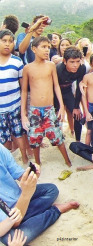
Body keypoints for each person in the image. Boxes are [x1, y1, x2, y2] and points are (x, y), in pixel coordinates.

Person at [0, 143, 79, 246]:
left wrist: (32, 174)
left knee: (51, 190)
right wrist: (25, 196)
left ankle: (29, 216)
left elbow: (19, 175)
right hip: (6, 218)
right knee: (13, 239)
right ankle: (55, 211)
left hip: (18, 197)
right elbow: (14, 222)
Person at [21, 36, 71, 167]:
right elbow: (25, 91)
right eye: (43, 47)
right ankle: (37, 163)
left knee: (57, 136)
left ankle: (67, 161)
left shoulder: (50, 66)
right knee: (35, 138)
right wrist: (23, 113)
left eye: (48, 47)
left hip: (49, 108)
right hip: (34, 110)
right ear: (33, 49)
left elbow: (56, 86)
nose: (47, 50)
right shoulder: (28, 68)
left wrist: (60, 106)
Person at [0, 29, 28, 164]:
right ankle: (8, 162)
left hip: (15, 106)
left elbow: (23, 88)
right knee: (3, 138)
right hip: (0, 110)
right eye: (4, 41)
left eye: (10, 41)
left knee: (19, 134)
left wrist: (23, 109)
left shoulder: (17, 62)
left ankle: (24, 158)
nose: (7, 44)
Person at [56, 46, 86, 142]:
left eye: (77, 61)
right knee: (56, 117)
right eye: (72, 62)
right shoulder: (59, 69)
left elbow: (78, 88)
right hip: (55, 93)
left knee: (78, 115)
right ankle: (58, 139)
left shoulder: (81, 68)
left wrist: (76, 107)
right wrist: (59, 106)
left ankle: (77, 141)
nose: (75, 65)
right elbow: (53, 87)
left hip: (68, 91)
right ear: (65, 61)